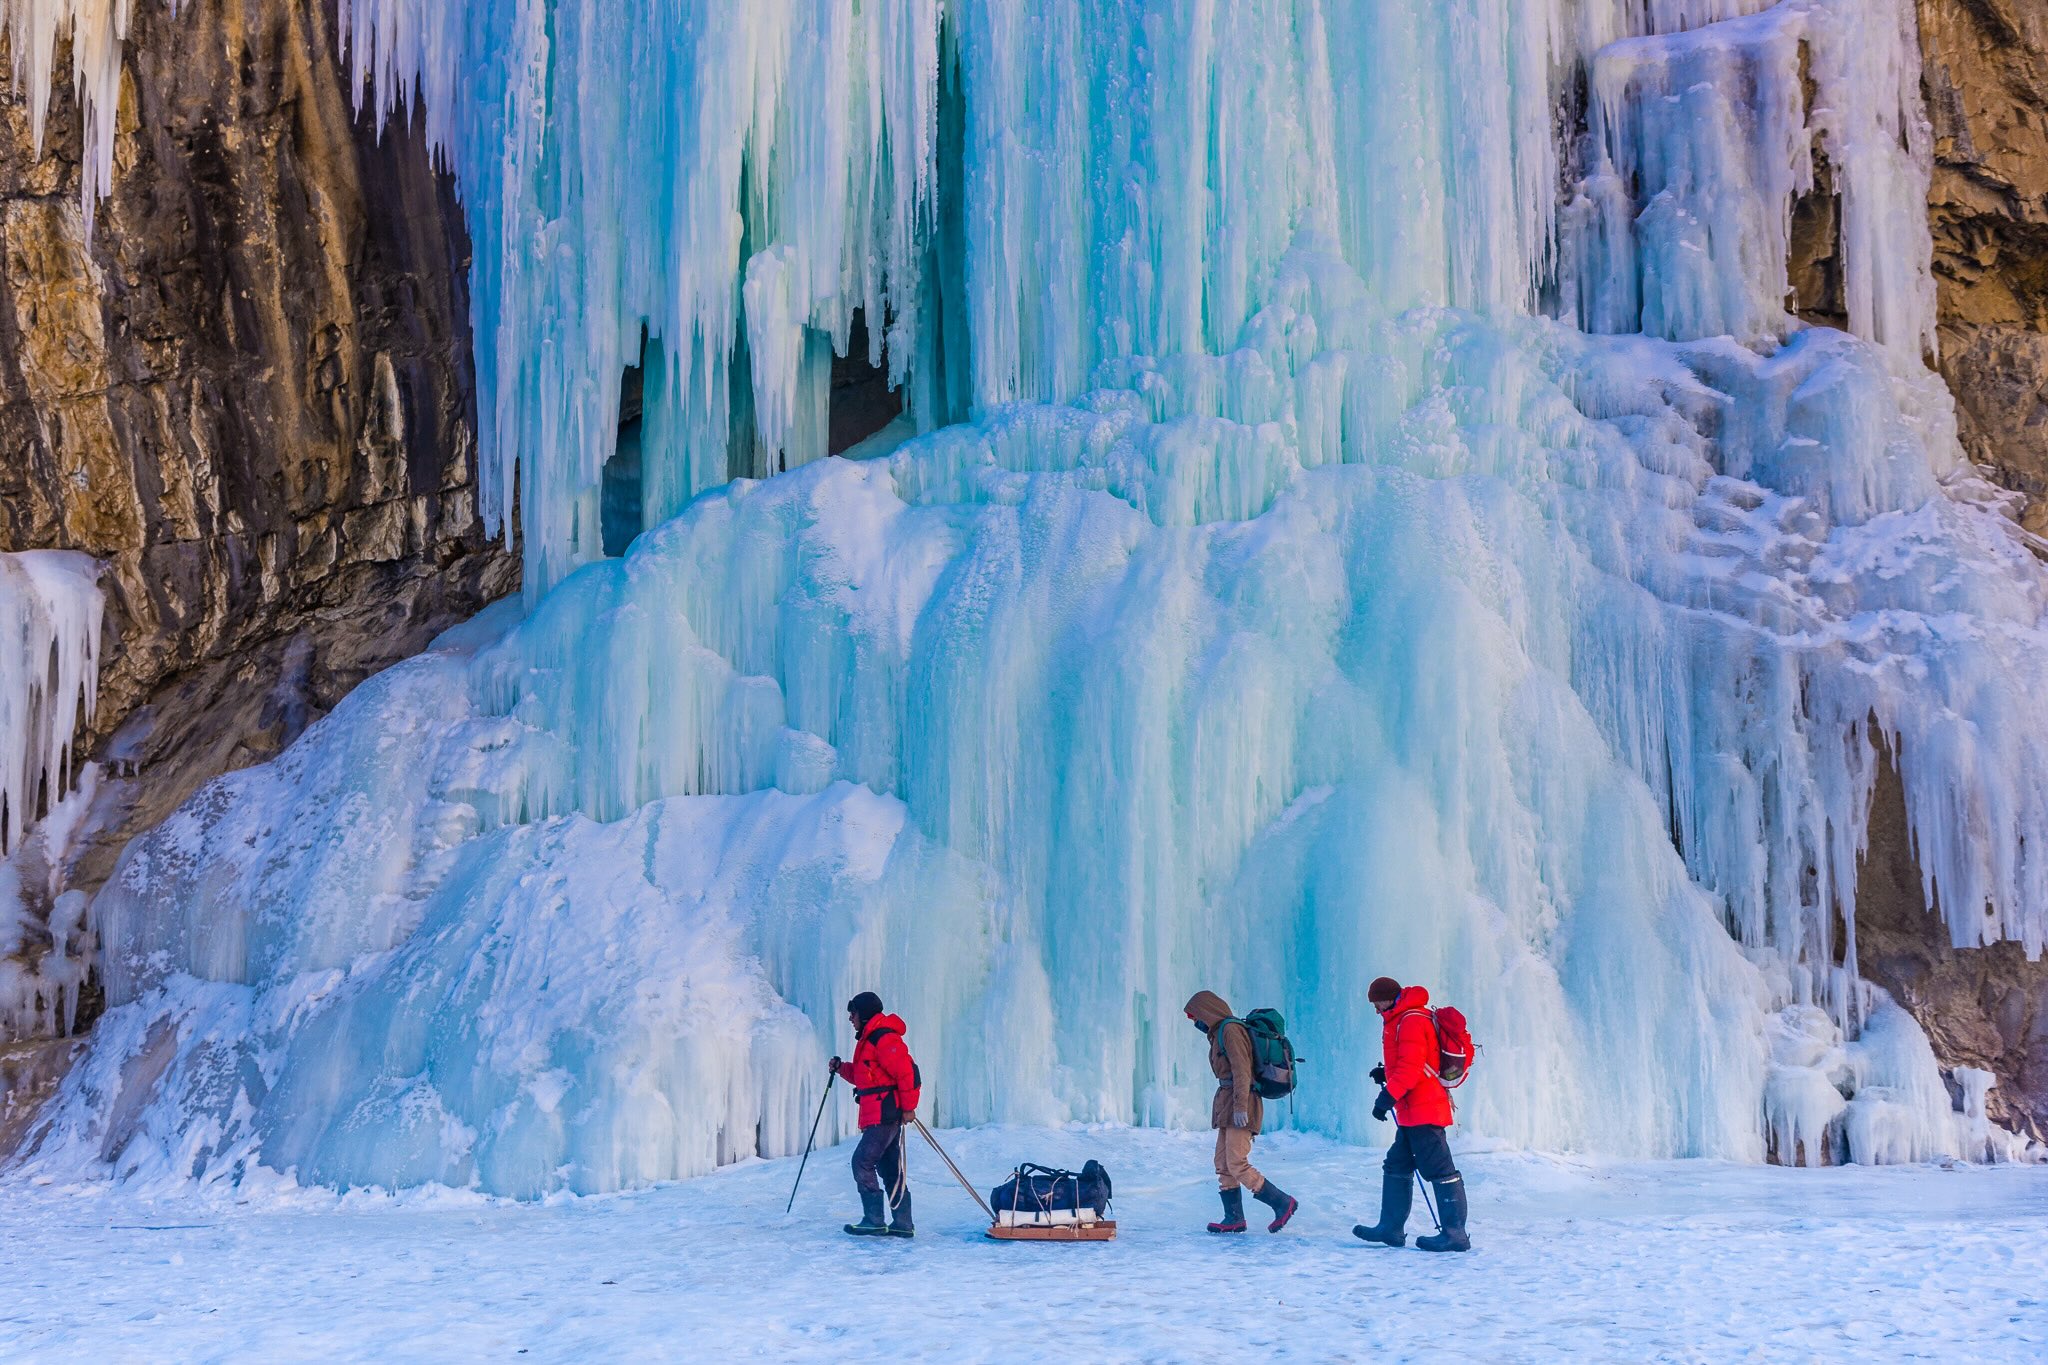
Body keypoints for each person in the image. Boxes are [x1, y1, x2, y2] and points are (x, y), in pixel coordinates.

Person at [1353, 976, 1470, 1252]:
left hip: (1424, 1108)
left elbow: (1412, 1068)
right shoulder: (1401, 1019)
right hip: (1412, 1110)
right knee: (1396, 1164)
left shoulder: (1411, 1020)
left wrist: (1386, 1098)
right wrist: (1386, 1074)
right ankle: (1390, 1229)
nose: (1375, 1009)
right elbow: (1411, 1062)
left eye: (1376, 1003)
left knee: (1440, 1170)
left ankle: (1455, 1234)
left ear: (1387, 998)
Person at [1183, 990, 1299, 1234]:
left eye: (1196, 1017)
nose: (1196, 1023)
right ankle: (1234, 1218)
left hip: (1242, 1102)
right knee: (1222, 1163)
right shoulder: (1218, 1034)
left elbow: (1241, 1069)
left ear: (1208, 1011)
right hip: (1229, 1102)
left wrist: (1239, 1107)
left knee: (1236, 1162)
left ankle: (1282, 1202)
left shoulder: (1230, 1030)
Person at [830, 991, 920, 1238]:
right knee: (890, 1168)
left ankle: (874, 1219)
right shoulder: (870, 1040)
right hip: (881, 1111)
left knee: (862, 1161)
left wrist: (909, 1107)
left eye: (853, 1013)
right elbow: (866, 1079)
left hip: (884, 1113)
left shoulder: (883, 1038)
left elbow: (906, 1073)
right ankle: (902, 1223)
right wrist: (841, 1069)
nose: (851, 1018)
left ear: (864, 1014)